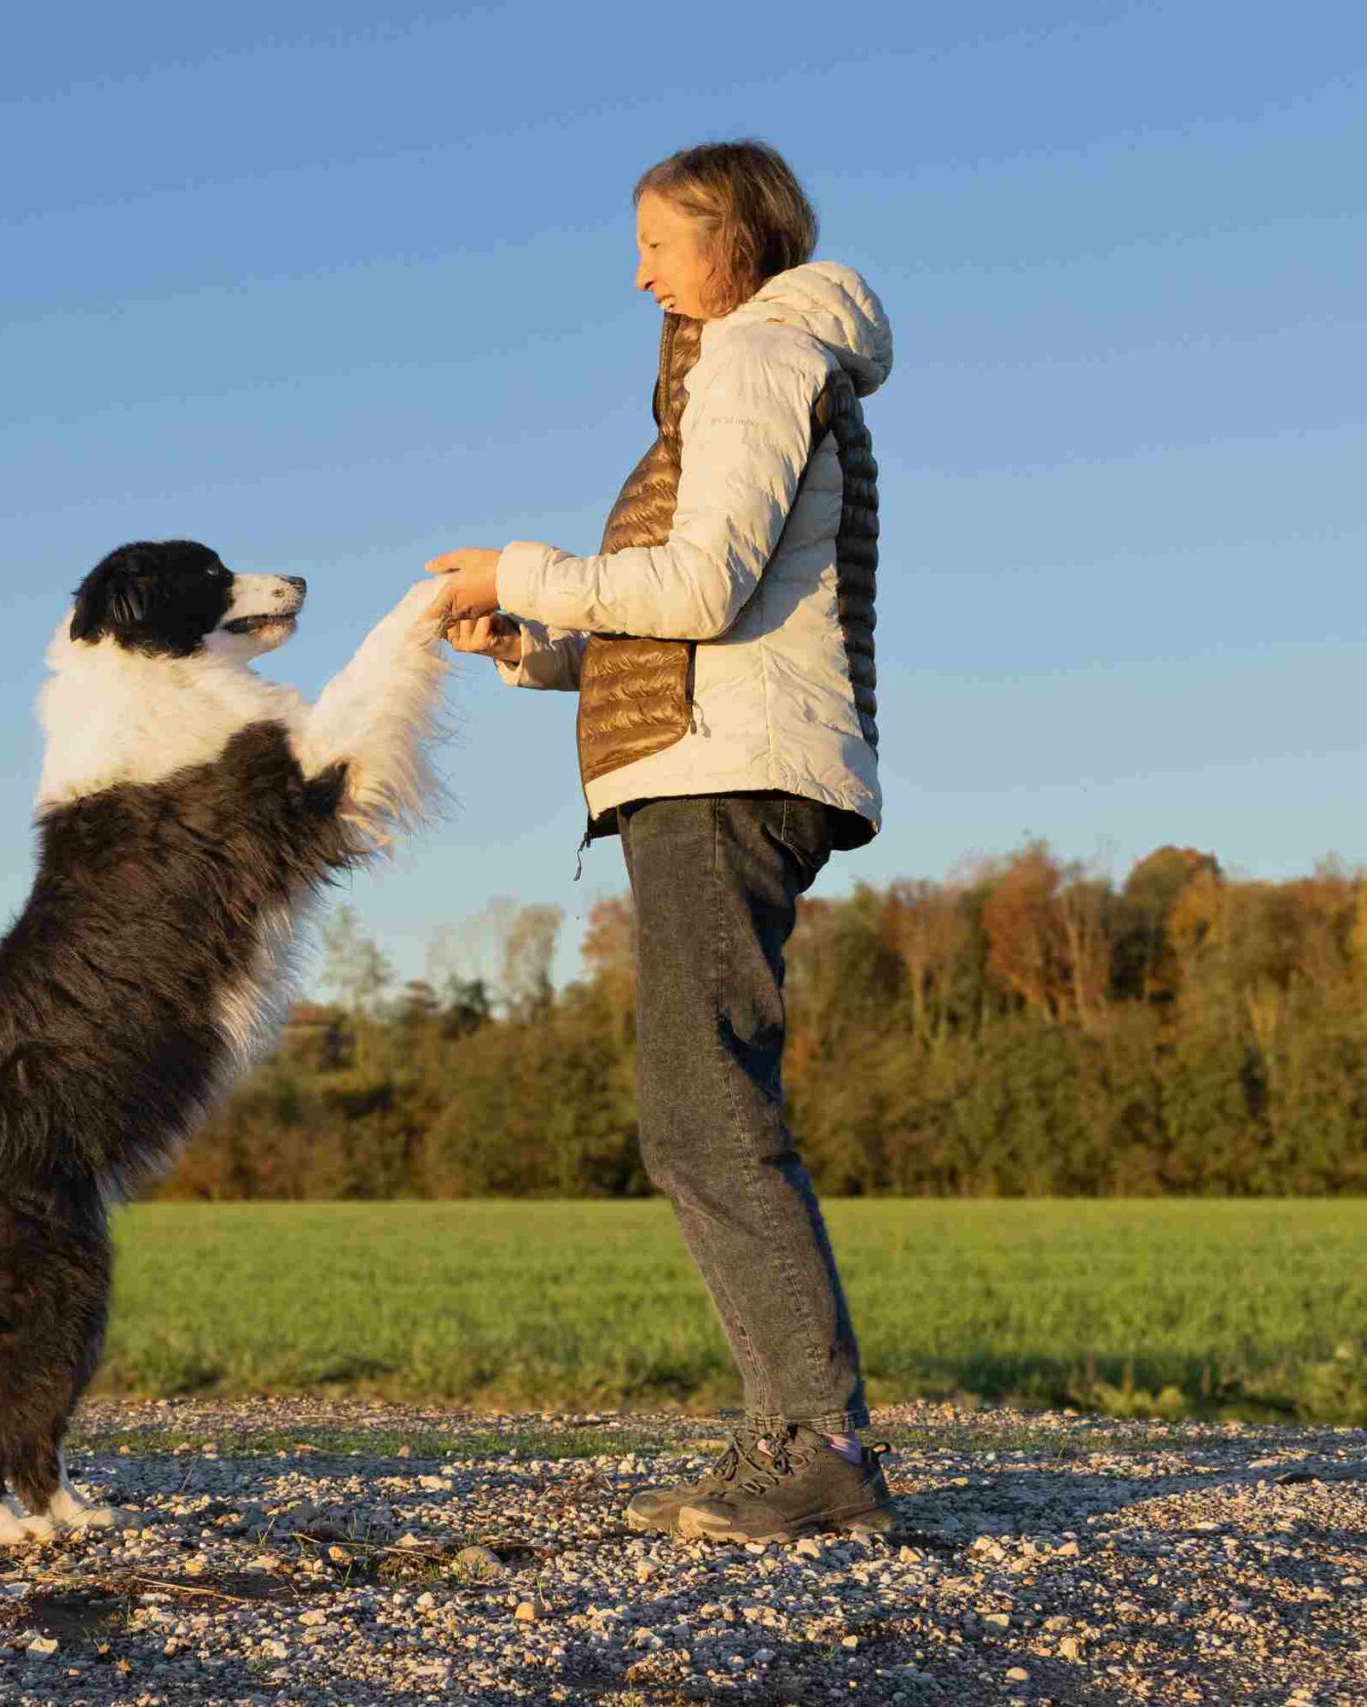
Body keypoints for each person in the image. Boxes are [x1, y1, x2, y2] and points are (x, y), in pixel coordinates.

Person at [426, 139, 895, 1542]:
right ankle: (800, 1438)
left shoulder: (756, 357)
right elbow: (707, 614)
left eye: (656, 240)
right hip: (718, 755)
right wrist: (539, 643)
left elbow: (697, 587)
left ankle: (817, 1451)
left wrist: (522, 564)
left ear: (734, 238)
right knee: (696, 1109)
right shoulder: (742, 369)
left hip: (724, 775)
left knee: (706, 1114)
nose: (637, 271)